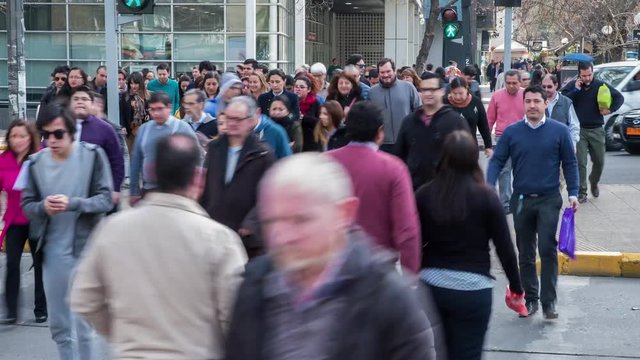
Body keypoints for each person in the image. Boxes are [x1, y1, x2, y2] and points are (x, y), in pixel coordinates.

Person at [225, 152, 438, 360]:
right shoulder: (253, 286)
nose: (282, 237)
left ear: (344, 213)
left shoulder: (391, 300)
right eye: (271, 222)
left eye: (300, 220)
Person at [70, 134, 247, 359]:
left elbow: (85, 297)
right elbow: (234, 317)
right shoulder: (220, 240)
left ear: (151, 171)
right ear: (199, 178)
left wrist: (125, 335)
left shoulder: (112, 230)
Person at [417, 130, 524, 359]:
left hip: (431, 285)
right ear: (474, 159)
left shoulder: (425, 194)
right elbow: (505, 249)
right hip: (473, 287)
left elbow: (413, 240)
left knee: (436, 352)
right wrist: (516, 287)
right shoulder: (486, 197)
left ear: (443, 157)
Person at [22, 103, 113, 360]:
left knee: (84, 325)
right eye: (46, 134)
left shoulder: (93, 155)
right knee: (60, 326)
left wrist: (73, 203)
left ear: (72, 132)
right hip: (52, 255)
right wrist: (43, 207)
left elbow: (106, 200)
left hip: (85, 251)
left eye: (58, 134)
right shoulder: (36, 163)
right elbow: (27, 205)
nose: (51, 140)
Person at [487, 85, 580, 319]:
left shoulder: (560, 132)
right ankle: (531, 299)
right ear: (523, 104)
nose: (532, 106)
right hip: (521, 200)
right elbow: (498, 161)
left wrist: (573, 192)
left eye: (537, 101)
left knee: (546, 249)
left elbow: (570, 163)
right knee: (525, 253)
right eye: (528, 101)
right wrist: (489, 187)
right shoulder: (512, 132)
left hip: (549, 199)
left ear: (545, 103)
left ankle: (549, 303)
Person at [328, 102, 421, 273]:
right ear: (380, 132)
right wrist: (410, 275)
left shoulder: (325, 162)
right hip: (378, 270)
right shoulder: (393, 168)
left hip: (330, 267)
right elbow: (406, 229)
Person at [200, 96, 276, 258]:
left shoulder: (262, 154)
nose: (232, 123)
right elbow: (205, 187)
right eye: (229, 118)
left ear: (250, 121)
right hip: (216, 231)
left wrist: (251, 223)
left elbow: (270, 195)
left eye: (237, 119)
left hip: (246, 238)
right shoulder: (214, 148)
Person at [0, 120, 46, 325]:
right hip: (14, 221)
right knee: (11, 264)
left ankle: (41, 309)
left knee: (40, 265)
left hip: (37, 218)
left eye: (22, 136)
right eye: (14, 136)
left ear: (31, 138)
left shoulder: (40, 159)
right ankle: (11, 311)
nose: (17, 140)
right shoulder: (4, 160)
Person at [562, 61, 624, 203]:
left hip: (596, 128)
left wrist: (610, 109)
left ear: (592, 73)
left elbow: (619, 97)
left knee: (599, 161)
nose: (587, 78)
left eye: (589, 75)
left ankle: (594, 182)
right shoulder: (573, 85)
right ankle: (581, 192)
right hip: (580, 129)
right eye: (584, 75)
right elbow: (563, 100)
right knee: (580, 162)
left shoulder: (600, 85)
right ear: (579, 74)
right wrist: (576, 90)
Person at [395, 72, 469, 190]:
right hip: (414, 192)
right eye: (424, 90)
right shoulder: (409, 122)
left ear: (442, 91)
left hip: (446, 193)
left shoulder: (455, 122)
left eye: (432, 89)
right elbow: (399, 158)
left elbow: (467, 160)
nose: (428, 93)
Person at [129, 92, 197, 204]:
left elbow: (197, 158)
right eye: (152, 109)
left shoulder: (181, 128)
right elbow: (136, 160)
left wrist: (193, 187)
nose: (156, 113)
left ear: (169, 107)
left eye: (160, 108)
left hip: (175, 192)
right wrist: (133, 191)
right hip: (149, 189)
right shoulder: (144, 129)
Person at [69, 86, 125, 209]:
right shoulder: (61, 127)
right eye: (76, 99)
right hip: (68, 191)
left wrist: (116, 188)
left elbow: (117, 161)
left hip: (97, 191)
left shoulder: (105, 129)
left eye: (84, 99)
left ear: (91, 103)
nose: (80, 102)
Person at [487, 70, 525, 213]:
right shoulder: (497, 96)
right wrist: (487, 141)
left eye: (514, 83)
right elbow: (489, 119)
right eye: (508, 83)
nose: (511, 86)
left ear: (520, 82)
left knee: (522, 170)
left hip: (522, 137)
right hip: (502, 137)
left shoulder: (526, 95)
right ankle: (506, 202)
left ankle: (521, 198)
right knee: (504, 171)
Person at [368, 58, 421, 153]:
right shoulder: (372, 92)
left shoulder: (408, 87)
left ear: (394, 71)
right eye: (382, 72)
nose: (385, 75)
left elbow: (419, 112)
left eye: (388, 71)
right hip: (381, 145)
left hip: (405, 142)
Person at [444, 77, 493, 156]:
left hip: (470, 148)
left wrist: (488, 146)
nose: (457, 97)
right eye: (454, 93)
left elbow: (483, 126)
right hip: (448, 149)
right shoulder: (444, 103)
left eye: (461, 93)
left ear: (466, 89)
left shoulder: (476, 102)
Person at [541, 74, 580, 148]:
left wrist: (572, 146)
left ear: (556, 85)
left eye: (549, 86)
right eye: (543, 87)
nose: (546, 89)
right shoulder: (537, 101)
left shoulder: (566, 102)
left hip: (561, 146)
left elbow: (574, 126)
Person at [120, 72, 149, 152]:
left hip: (143, 131)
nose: (133, 86)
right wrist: (122, 126)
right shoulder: (124, 96)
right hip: (129, 132)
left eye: (136, 83)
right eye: (131, 83)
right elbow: (122, 112)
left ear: (140, 83)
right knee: (131, 155)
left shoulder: (146, 96)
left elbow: (148, 114)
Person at [294, 76, 321, 152]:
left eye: (302, 87)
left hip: (310, 142)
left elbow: (319, 122)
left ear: (308, 89)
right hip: (294, 141)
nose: (298, 89)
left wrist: (303, 117)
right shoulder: (290, 101)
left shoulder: (315, 103)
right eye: (296, 87)